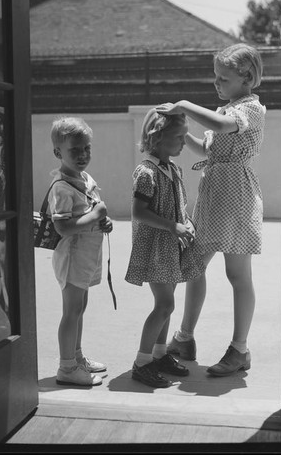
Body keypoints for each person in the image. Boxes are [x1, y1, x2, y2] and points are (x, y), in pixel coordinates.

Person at [156, 43, 266, 376]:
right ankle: (184, 338)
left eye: (224, 78)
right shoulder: (230, 107)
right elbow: (206, 145)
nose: (217, 83)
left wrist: (185, 105)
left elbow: (221, 127)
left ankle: (239, 349)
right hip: (214, 197)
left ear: (247, 77)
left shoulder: (249, 108)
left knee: (237, 275)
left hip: (236, 199)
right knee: (193, 266)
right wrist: (180, 128)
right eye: (216, 77)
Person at [125, 109, 205, 388]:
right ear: (157, 138)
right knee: (165, 304)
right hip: (156, 248)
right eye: (179, 137)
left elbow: (178, 206)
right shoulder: (146, 172)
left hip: (171, 247)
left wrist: (186, 223)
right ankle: (142, 362)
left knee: (167, 305)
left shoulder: (172, 168)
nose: (184, 143)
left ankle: (159, 354)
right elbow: (139, 212)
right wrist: (173, 227)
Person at [48, 116, 113, 386]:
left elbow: (91, 214)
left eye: (87, 148)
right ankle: (66, 367)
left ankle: (76, 357)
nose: (83, 154)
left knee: (80, 307)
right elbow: (63, 227)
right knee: (71, 311)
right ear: (58, 153)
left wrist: (102, 221)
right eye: (75, 150)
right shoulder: (62, 187)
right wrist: (96, 214)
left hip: (87, 257)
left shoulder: (85, 178)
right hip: (73, 257)